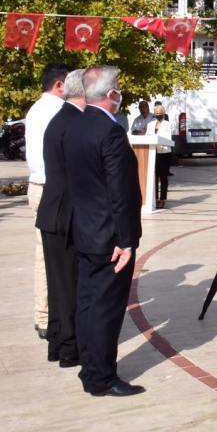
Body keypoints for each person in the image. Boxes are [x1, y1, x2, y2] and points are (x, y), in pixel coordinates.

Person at [64, 65, 144, 397]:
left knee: (87, 304)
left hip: (84, 230)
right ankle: (101, 377)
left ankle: (91, 368)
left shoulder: (74, 126)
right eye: (119, 88)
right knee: (106, 309)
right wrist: (126, 240)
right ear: (111, 94)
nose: (121, 93)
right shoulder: (109, 132)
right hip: (109, 237)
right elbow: (120, 191)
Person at [35, 69, 85, 369]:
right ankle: (68, 348)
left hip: (53, 210)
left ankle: (57, 342)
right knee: (67, 285)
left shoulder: (59, 117)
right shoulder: (71, 122)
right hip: (64, 214)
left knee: (58, 284)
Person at [25, 62, 69, 339]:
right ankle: (46, 317)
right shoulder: (57, 111)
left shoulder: (36, 109)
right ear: (59, 85)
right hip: (52, 188)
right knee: (51, 256)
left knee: (47, 253)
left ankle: (47, 315)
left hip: (40, 185)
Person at [151, 101, 171, 208]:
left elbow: (167, 138)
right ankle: (155, 198)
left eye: (160, 113)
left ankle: (163, 198)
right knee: (154, 176)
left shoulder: (167, 124)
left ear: (163, 113)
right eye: (156, 113)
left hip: (164, 153)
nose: (158, 114)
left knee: (163, 176)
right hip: (153, 153)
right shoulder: (150, 124)